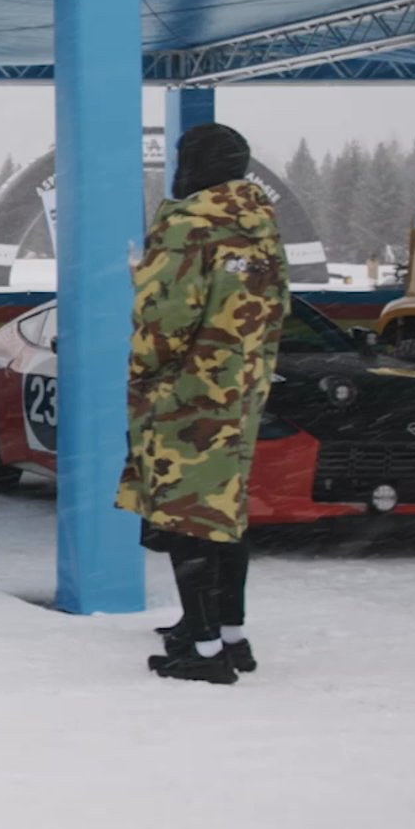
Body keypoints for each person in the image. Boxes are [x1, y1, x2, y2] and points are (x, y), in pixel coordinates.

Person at [118, 123, 287, 684]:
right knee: (223, 516)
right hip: (239, 395)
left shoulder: (189, 227)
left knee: (185, 519)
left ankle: (205, 652)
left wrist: (144, 373)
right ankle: (230, 636)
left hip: (186, 398)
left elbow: (164, 320)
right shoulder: (260, 227)